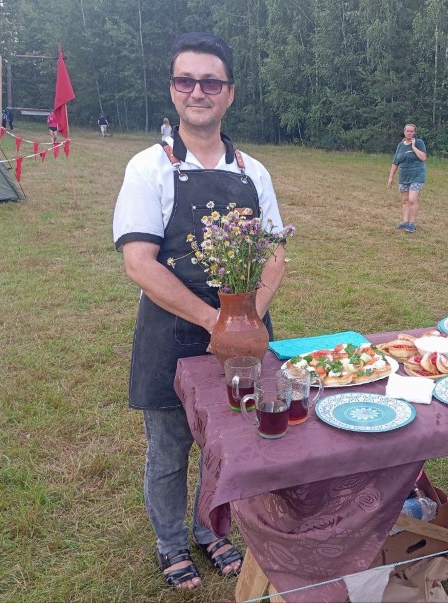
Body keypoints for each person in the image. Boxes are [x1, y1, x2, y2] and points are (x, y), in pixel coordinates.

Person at [112, 32, 286, 591]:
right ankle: (170, 542)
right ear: (173, 90)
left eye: (211, 82)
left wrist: (247, 319)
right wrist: (217, 322)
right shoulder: (148, 168)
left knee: (230, 444)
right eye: (186, 80)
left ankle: (211, 530)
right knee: (169, 450)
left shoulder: (253, 172)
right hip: (170, 333)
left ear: (229, 93)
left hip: (245, 338)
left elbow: (274, 256)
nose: (197, 91)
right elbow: (139, 263)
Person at [387, 123, 427, 233]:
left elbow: (423, 157)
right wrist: (391, 177)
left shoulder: (419, 143)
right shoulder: (400, 145)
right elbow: (395, 162)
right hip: (404, 176)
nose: (409, 133)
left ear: (414, 132)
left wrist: (413, 147)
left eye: (411, 131)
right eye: (407, 131)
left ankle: (412, 224)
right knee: (405, 200)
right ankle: (405, 222)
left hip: (417, 175)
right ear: (404, 132)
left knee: (412, 199)